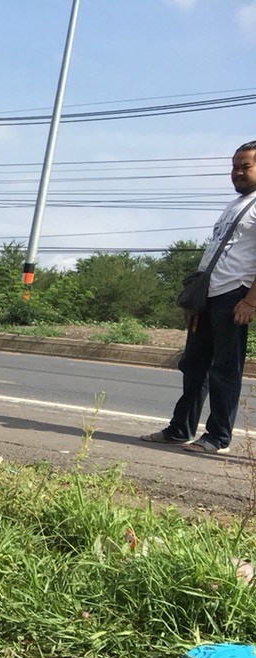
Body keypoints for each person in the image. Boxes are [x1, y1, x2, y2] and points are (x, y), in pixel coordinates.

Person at [140, 141, 256, 455]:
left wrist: (251, 301)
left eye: (245, 166)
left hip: (235, 296)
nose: (237, 173)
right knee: (194, 366)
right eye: (235, 167)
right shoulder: (235, 205)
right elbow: (213, 255)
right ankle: (180, 429)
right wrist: (195, 301)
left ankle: (218, 437)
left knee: (224, 370)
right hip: (208, 297)